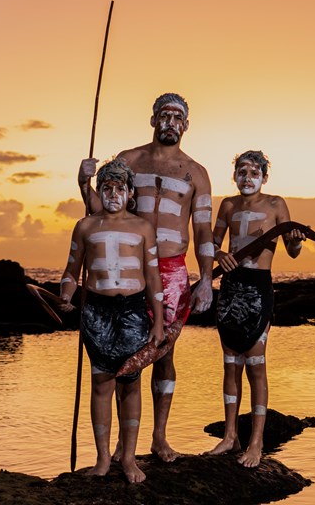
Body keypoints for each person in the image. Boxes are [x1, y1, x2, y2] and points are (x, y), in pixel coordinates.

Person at [77, 93, 214, 462]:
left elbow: (204, 232)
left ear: (186, 124)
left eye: (177, 117)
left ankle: (159, 438)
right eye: (164, 116)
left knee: (162, 353)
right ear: (153, 119)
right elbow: (98, 216)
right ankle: (123, 448)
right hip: (128, 271)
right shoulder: (127, 160)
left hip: (170, 270)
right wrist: (84, 184)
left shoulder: (196, 173)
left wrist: (205, 279)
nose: (170, 122)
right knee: (124, 352)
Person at [59, 158, 165, 483]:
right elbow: (71, 271)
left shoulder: (143, 228)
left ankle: (129, 459)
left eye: (120, 187)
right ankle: (103, 459)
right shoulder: (86, 226)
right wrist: (65, 295)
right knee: (102, 384)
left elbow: (153, 278)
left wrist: (158, 322)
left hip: (133, 312)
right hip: (97, 312)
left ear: (130, 193)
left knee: (131, 385)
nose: (113, 193)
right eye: (106, 187)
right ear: (99, 191)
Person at [206, 150, 307, 468]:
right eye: (241, 171)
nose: (247, 177)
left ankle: (256, 443)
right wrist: (218, 254)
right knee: (230, 364)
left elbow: (292, 252)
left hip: (258, 289)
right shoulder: (228, 205)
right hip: (230, 289)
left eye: (254, 172)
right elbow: (210, 242)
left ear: (264, 177)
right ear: (234, 176)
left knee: (256, 366)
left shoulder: (276, 205)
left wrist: (297, 240)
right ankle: (230, 437)